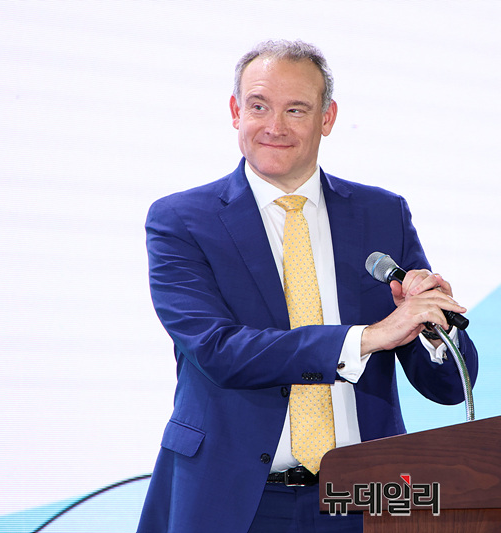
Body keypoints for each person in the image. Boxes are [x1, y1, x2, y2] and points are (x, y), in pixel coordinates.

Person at [137, 39, 478, 533]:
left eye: (296, 109)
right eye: (259, 106)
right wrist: (368, 337)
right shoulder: (182, 220)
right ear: (235, 112)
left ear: (327, 118)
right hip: (231, 498)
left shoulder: (382, 214)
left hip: (363, 498)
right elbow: (218, 350)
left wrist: (429, 327)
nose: (275, 126)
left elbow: (447, 388)